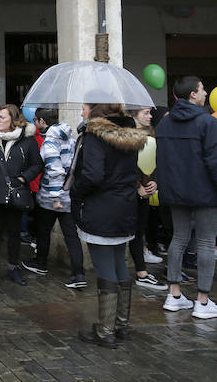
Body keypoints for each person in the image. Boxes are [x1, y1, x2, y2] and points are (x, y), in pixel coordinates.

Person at [71, 102, 148, 348]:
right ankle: (121, 325)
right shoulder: (129, 134)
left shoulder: (95, 136)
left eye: (84, 107)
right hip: (124, 209)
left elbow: (93, 176)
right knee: (119, 264)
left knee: (106, 268)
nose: (82, 112)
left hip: (101, 210)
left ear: (96, 110)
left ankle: (105, 331)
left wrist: (76, 191)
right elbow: (130, 171)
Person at [155, 76, 217, 319]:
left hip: (175, 192)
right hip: (204, 192)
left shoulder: (164, 124)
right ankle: (202, 301)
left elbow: (163, 162)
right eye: (202, 90)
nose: (205, 94)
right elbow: (213, 161)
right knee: (205, 243)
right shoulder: (208, 124)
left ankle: (174, 295)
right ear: (193, 94)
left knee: (178, 238)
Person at [0, 104, 42, 286]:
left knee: (14, 233)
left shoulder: (26, 141)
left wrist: (23, 178)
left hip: (16, 193)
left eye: (2, 117)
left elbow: (36, 164)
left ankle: (13, 267)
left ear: (13, 118)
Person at [21, 109, 86, 289]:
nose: (35, 124)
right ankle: (78, 273)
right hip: (68, 193)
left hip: (52, 195)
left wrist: (56, 196)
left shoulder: (50, 141)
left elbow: (54, 169)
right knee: (71, 235)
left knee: (43, 230)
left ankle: (41, 263)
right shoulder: (69, 136)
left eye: (36, 120)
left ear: (42, 121)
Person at [125, 108, 168, 292]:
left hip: (145, 192)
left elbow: (158, 162)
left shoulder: (151, 137)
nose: (150, 116)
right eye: (146, 113)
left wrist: (154, 183)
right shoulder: (124, 138)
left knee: (138, 231)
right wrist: (137, 186)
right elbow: (124, 166)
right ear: (134, 115)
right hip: (127, 192)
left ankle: (141, 273)